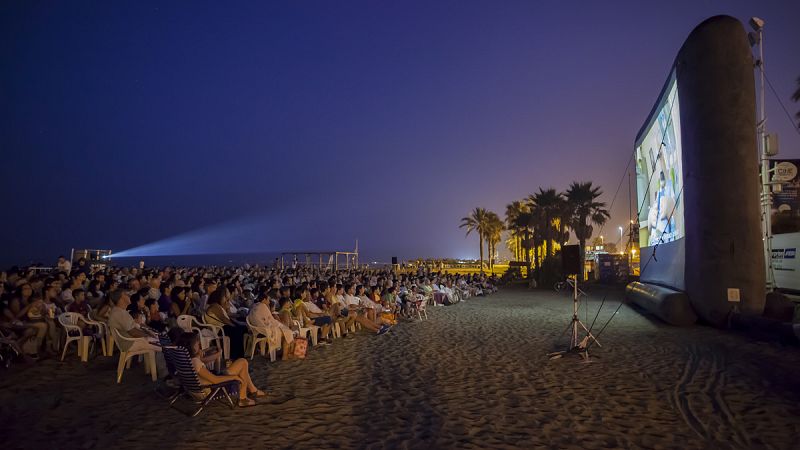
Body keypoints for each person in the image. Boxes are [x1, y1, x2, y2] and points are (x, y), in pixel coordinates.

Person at [174, 331, 265, 407]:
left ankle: (253, 391)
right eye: (197, 344)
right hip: (210, 389)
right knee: (242, 365)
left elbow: (201, 363)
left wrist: (201, 354)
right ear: (192, 347)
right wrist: (235, 377)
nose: (200, 345)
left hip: (196, 389)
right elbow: (215, 380)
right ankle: (243, 398)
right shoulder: (195, 362)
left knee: (242, 362)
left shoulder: (185, 359)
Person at [204, 288, 247, 359]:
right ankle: (237, 355)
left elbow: (227, 315)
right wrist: (234, 325)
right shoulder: (215, 306)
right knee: (238, 330)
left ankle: (238, 354)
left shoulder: (217, 306)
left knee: (240, 328)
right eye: (224, 297)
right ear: (219, 297)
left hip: (221, 328)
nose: (225, 298)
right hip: (219, 330)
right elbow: (224, 319)